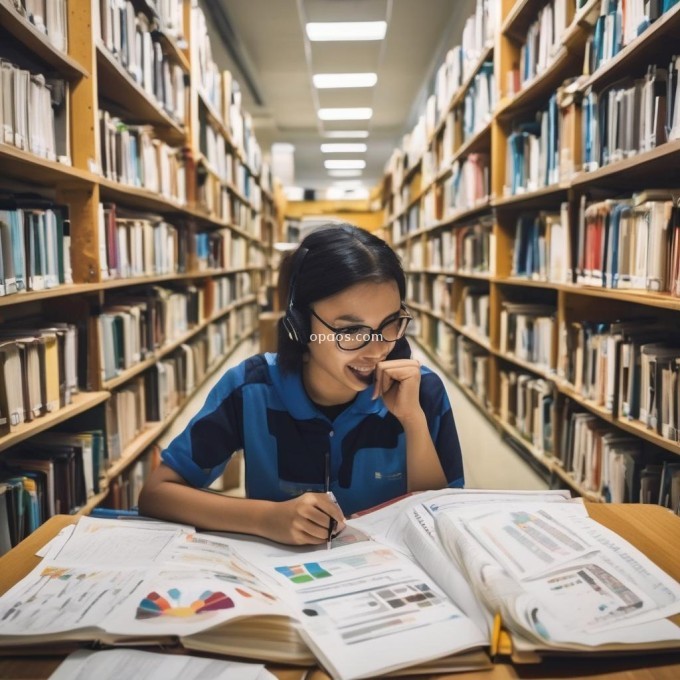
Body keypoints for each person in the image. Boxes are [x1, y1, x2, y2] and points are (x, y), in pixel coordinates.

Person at [139, 224, 464, 545]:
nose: (377, 349)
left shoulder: (421, 390)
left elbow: (446, 515)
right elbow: (156, 494)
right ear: (299, 323)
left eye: (390, 324)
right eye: (351, 331)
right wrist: (265, 518)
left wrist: (413, 421)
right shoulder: (251, 389)